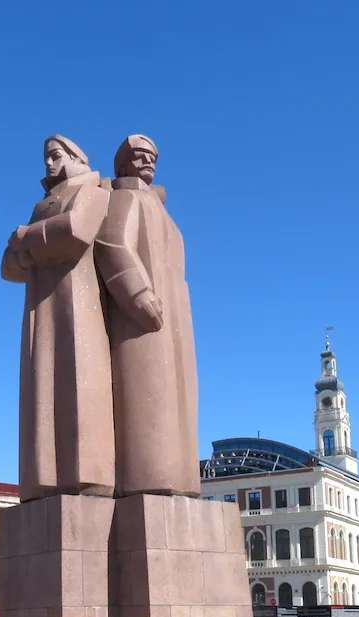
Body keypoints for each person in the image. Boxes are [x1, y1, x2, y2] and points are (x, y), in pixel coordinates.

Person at [1, 136, 115, 502]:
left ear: (76, 157)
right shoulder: (41, 206)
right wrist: (29, 246)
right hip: (40, 306)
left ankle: (86, 475)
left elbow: (75, 231)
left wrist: (23, 237)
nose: (49, 163)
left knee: (80, 382)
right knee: (41, 392)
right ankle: (43, 478)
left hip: (76, 304)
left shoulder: (92, 189)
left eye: (55, 155)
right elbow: (8, 268)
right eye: (45, 157)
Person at [95, 134, 201, 498]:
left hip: (174, 321)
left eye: (152, 156)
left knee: (179, 406)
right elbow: (111, 245)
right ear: (122, 164)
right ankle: (148, 483)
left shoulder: (161, 209)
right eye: (138, 156)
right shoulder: (125, 197)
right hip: (142, 319)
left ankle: (181, 483)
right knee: (148, 401)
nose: (147, 162)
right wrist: (138, 295)